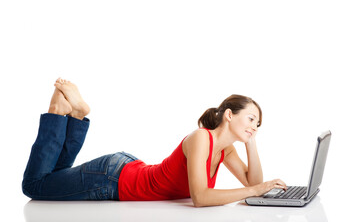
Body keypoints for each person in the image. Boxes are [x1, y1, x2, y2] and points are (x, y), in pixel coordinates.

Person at [22, 78, 287, 207]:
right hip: (111, 180)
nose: (254, 126)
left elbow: (254, 184)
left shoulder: (225, 148)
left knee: (52, 178)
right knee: (35, 185)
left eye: (258, 123)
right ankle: (59, 112)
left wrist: (251, 143)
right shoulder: (200, 139)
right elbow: (201, 197)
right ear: (229, 115)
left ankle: (77, 116)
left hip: (123, 171)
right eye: (251, 119)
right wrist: (254, 190)